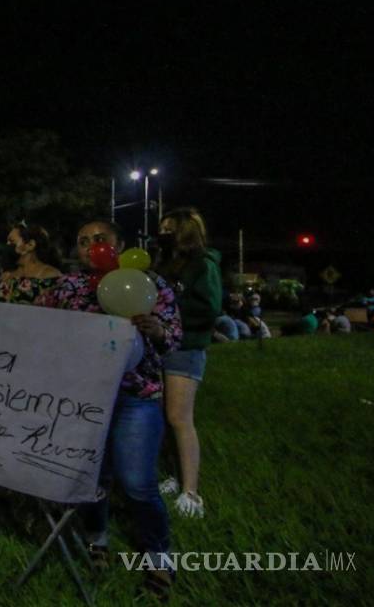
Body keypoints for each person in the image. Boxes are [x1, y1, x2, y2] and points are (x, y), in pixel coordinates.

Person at [36, 219, 182, 600]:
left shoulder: (150, 284)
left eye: (100, 239)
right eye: (83, 241)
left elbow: (173, 343)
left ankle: (159, 558)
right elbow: (43, 332)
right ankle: (97, 540)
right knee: (91, 478)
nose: (91, 246)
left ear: (119, 244)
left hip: (137, 398)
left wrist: (156, 331)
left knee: (137, 484)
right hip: (84, 399)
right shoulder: (66, 287)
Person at [152, 208, 223, 519]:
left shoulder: (203, 265)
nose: (163, 233)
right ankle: (172, 474)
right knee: (162, 418)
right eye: (162, 228)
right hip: (159, 346)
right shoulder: (164, 263)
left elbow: (209, 308)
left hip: (186, 347)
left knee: (179, 417)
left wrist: (169, 311)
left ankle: (191, 491)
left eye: (169, 229)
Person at [0, 223, 62, 304]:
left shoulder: (51, 276)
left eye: (11, 241)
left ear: (30, 245)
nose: (7, 245)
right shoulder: (7, 276)